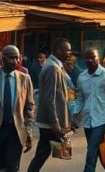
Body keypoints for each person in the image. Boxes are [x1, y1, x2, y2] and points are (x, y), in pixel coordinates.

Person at [28, 37, 73, 172]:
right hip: (50, 122)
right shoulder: (52, 68)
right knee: (45, 153)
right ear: (59, 51)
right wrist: (55, 122)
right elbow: (49, 98)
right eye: (68, 51)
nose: (69, 54)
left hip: (51, 121)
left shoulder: (56, 66)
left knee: (44, 152)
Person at [0, 45, 35, 172]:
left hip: (16, 132)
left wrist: (28, 130)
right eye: (11, 58)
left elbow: (30, 106)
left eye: (17, 58)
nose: (16, 61)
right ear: (2, 59)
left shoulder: (25, 79)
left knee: (13, 168)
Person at [76, 48, 105, 172]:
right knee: (102, 154)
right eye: (87, 58)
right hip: (88, 121)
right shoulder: (82, 77)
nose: (90, 60)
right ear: (84, 59)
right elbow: (80, 99)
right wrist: (74, 116)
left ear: (98, 58)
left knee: (91, 152)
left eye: (93, 57)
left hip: (103, 121)